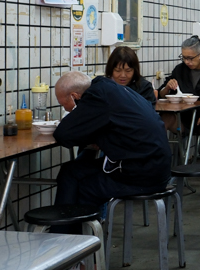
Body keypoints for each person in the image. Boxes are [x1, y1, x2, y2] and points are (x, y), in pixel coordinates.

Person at [52, 71, 171, 227]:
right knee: (70, 170)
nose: (66, 110)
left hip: (142, 175)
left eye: (63, 105)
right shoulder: (110, 89)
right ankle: (62, 234)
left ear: (75, 96)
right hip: (154, 165)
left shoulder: (96, 97)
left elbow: (63, 134)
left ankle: (77, 241)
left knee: (85, 187)